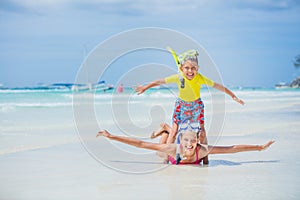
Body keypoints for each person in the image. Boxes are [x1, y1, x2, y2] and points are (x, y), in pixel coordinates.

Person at [135, 47, 245, 164]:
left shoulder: (200, 78)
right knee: (174, 132)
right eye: (187, 68)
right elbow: (160, 81)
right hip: (181, 105)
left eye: (193, 68)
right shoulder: (179, 77)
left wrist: (233, 96)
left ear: (198, 69)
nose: (190, 71)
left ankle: (206, 161)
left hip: (197, 106)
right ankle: (166, 160)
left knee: (202, 132)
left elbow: (217, 86)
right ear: (182, 68)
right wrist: (145, 87)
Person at [96, 126, 274, 165]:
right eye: (186, 140)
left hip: (180, 152)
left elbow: (232, 149)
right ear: (182, 142)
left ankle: (166, 130)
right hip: (171, 155)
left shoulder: (202, 150)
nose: (189, 144)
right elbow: (142, 144)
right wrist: (112, 137)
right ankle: (165, 132)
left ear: (197, 141)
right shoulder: (174, 148)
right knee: (160, 155)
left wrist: (260, 147)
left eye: (193, 140)